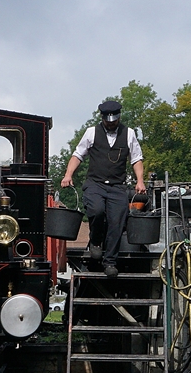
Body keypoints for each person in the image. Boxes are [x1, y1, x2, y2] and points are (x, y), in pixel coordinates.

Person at [61, 100, 147, 277]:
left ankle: (110, 262)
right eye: (108, 120)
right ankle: (96, 241)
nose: (111, 123)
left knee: (117, 222)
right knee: (97, 211)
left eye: (114, 120)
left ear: (118, 117)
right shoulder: (91, 132)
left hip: (117, 186)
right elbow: (78, 155)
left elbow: (136, 159)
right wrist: (68, 175)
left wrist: (140, 181)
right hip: (95, 183)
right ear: (102, 118)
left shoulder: (128, 134)